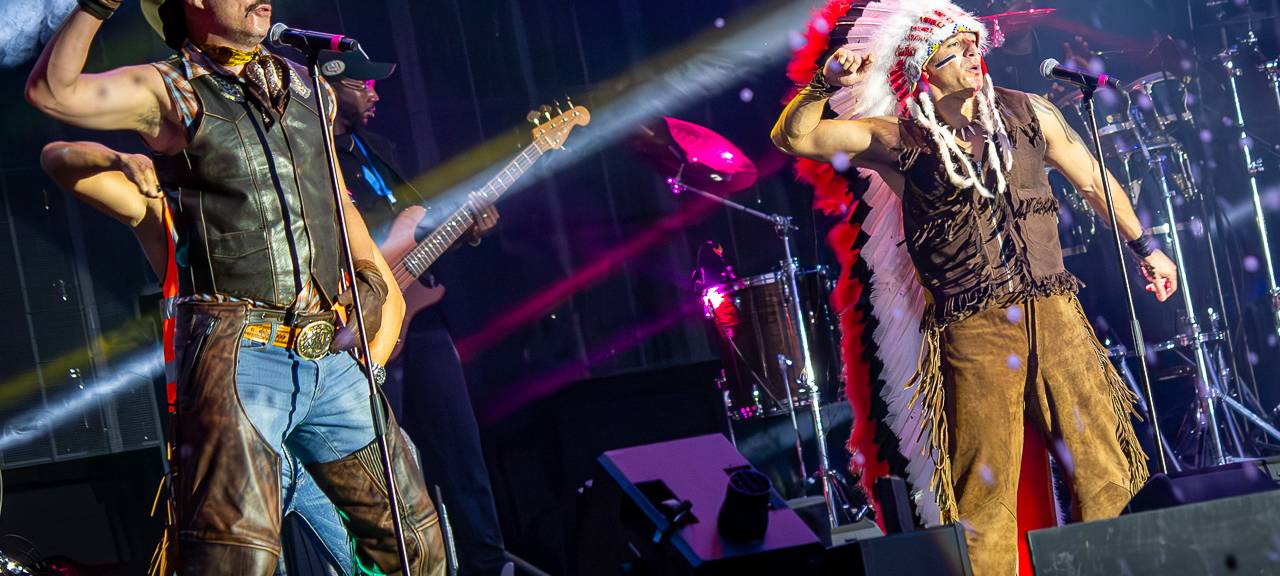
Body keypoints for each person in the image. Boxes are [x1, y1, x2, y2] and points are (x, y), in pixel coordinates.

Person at [25, 0, 445, 572]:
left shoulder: (309, 90)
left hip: (328, 355)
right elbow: (54, 98)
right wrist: (96, 9)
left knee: (413, 544)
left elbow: (337, 200)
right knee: (236, 560)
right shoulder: (172, 90)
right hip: (242, 358)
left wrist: (374, 282)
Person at [771, 2, 1178, 575]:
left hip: (1056, 312)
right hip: (975, 329)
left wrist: (1147, 247)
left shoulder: (1031, 111)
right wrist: (824, 82)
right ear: (922, 68)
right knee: (984, 493)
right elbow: (796, 137)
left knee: (1103, 468)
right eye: (955, 49)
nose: (973, 54)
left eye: (974, 44)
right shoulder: (897, 138)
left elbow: (1093, 181)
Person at [39, 141, 356, 575]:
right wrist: (121, 160)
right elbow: (58, 160)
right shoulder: (172, 219)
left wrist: (367, 367)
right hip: (233, 446)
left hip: (317, 431)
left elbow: (377, 287)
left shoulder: (298, 210)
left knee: (375, 559)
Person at [321, 49, 513, 576]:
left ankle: (488, 563)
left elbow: (415, 231)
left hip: (419, 316)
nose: (376, 93)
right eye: (365, 85)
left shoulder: (379, 151)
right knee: (382, 462)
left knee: (460, 449)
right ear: (331, 87)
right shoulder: (306, 155)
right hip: (357, 323)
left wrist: (466, 229)